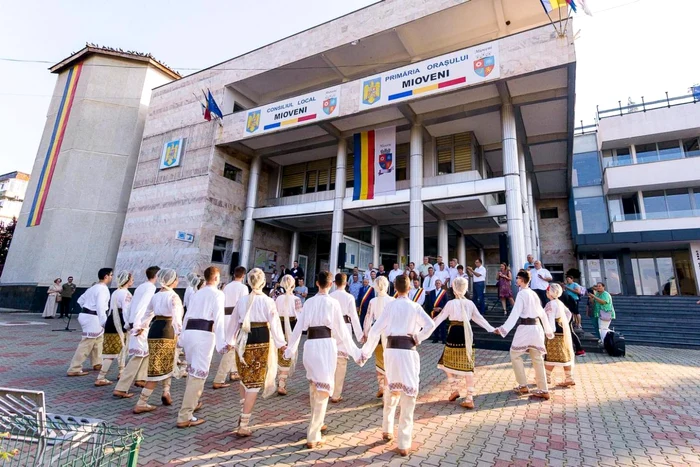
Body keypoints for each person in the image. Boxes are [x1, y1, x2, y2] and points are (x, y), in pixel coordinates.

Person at [360, 275, 436, 457]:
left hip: (391, 352)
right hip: (408, 351)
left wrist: (365, 352)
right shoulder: (415, 306)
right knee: (408, 395)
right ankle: (404, 442)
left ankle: (387, 429)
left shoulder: (390, 306)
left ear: (395, 287)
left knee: (391, 388)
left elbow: (375, 329)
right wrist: (417, 337)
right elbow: (430, 324)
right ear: (409, 289)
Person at [284, 271, 361, 449]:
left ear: (317, 283)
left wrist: (290, 350)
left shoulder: (309, 302)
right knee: (324, 388)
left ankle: (316, 422)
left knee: (314, 386)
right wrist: (356, 353)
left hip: (310, 345)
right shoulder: (333, 303)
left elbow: (298, 329)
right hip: (326, 345)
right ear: (330, 284)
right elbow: (342, 331)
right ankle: (314, 433)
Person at [227, 268, 287, 437]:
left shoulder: (242, 301)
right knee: (254, 381)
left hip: (243, 338)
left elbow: (233, 323)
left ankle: (242, 410)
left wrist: (229, 341)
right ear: (263, 283)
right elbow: (275, 324)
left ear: (248, 281)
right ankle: (244, 423)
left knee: (245, 376)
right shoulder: (268, 302)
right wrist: (282, 343)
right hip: (260, 339)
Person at [433, 276, 495, 409]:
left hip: (454, 333)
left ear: (454, 289)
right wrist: (492, 329)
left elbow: (439, 319)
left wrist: (422, 329)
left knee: (444, 362)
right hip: (467, 334)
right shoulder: (470, 304)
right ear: (465, 288)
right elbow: (480, 319)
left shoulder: (450, 303)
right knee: (468, 366)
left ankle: (454, 388)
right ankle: (469, 397)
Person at [176, 266, 227, 428]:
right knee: (199, 373)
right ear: (217, 278)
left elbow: (187, 314)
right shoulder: (218, 294)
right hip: (203, 334)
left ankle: (193, 402)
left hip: (190, 332)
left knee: (193, 370)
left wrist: (181, 337)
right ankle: (185, 414)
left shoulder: (197, 293)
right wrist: (222, 343)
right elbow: (219, 319)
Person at [495, 270, 554, 400]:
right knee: (537, 358)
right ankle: (543, 389)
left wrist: (503, 329)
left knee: (514, 354)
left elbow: (515, 313)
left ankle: (522, 385)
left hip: (525, 328)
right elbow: (542, 313)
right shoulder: (533, 293)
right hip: (537, 327)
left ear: (521, 280)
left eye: (517, 278)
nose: (516, 280)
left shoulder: (522, 294)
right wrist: (548, 331)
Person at [133, 269, 184, 414]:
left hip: (155, 329)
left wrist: (141, 327)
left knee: (165, 363)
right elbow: (177, 317)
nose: (177, 281)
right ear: (172, 281)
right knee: (159, 366)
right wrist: (180, 333)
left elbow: (147, 314)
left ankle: (166, 392)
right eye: (176, 278)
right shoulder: (174, 297)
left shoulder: (156, 296)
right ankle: (142, 402)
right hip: (167, 329)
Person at [113, 266, 160, 398]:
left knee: (146, 352)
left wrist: (129, 322)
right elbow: (141, 306)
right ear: (157, 275)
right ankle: (121, 387)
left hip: (138, 322)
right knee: (138, 356)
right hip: (141, 325)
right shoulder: (150, 288)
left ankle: (141, 378)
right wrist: (137, 325)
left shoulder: (141, 287)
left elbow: (131, 306)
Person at [67, 268, 112, 377]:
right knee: (87, 342)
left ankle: (97, 362)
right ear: (106, 276)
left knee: (98, 340)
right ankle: (75, 367)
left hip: (87, 315)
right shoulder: (102, 289)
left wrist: (86, 309)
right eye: (111, 275)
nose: (111, 277)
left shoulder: (93, 288)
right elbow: (101, 306)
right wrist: (104, 321)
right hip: (93, 317)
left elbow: (80, 300)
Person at [329, 273, 363, 404]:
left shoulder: (330, 296)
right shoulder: (349, 297)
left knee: (331, 359)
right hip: (345, 326)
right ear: (346, 283)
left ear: (335, 282)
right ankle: (336, 394)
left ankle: (328, 389)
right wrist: (360, 336)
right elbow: (354, 317)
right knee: (341, 361)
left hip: (331, 327)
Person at [213, 266, 249, 389]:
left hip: (225, 317)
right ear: (243, 276)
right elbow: (244, 304)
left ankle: (234, 372)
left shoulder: (227, 286)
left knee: (234, 346)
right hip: (236, 318)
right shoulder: (243, 288)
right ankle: (219, 378)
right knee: (231, 347)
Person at [95, 271, 133, 386]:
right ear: (126, 280)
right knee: (114, 351)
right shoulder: (126, 294)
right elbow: (126, 310)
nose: (132, 281)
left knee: (120, 347)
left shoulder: (116, 292)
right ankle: (101, 377)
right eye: (131, 279)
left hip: (111, 319)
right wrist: (129, 324)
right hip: (120, 320)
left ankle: (121, 371)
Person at [363, 276, 394, 399]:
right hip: (389, 334)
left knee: (379, 361)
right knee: (389, 362)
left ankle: (381, 386)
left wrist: (366, 333)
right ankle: (387, 388)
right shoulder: (392, 300)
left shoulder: (373, 301)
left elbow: (368, 318)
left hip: (377, 334)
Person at [543, 284, 576, 388]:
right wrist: (564, 322)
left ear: (550, 292)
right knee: (564, 353)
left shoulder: (550, 304)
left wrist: (549, 332)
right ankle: (569, 377)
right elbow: (569, 314)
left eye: (547, 291)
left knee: (551, 355)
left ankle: (546, 377)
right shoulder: (560, 302)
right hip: (563, 330)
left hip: (554, 332)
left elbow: (550, 318)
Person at [275, 274, 302, 395]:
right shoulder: (296, 299)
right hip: (291, 327)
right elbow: (300, 316)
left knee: (278, 352)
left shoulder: (278, 299)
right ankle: (281, 383)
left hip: (278, 326)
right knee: (288, 353)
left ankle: (278, 380)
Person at [558, 283, 585, 357]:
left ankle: (579, 349)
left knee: (570, 332)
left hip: (565, 316)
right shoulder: (566, 295)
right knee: (570, 332)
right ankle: (578, 349)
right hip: (568, 316)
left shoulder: (562, 296)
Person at [429, 280, 449, 344]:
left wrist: (441, 308)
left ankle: (444, 339)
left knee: (442, 326)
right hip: (434, 311)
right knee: (435, 325)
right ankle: (435, 339)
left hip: (441, 311)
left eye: (439, 283)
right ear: (435, 284)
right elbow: (429, 302)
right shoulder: (431, 292)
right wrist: (433, 308)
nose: (438, 284)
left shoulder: (444, 292)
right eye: (436, 283)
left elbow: (446, 302)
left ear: (441, 284)